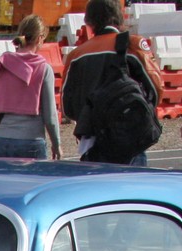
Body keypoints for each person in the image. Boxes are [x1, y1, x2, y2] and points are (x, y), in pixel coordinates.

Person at [62, 0, 163, 165]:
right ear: (119, 17)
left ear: (89, 21)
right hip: (130, 137)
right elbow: (156, 87)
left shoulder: (76, 55)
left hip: (93, 142)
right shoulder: (133, 45)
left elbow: (67, 107)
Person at [0, 15, 61, 160]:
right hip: (32, 140)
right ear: (39, 38)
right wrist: (56, 144)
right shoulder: (44, 69)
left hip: (1, 139)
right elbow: (50, 115)